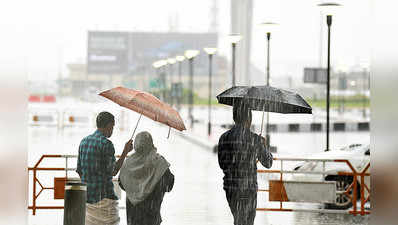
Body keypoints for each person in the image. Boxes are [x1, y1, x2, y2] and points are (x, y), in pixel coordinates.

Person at [218, 102, 273, 225]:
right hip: (248, 189)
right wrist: (263, 145)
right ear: (249, 119)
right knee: (247, 222)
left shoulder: (224, 138)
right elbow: (268, 162)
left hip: (231, 189)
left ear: (234, 118)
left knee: (238, 220)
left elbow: (222, 164)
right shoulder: (254, 139)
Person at [76, 111, 133, 225]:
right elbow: (114, 171)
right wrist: (125, 152)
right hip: (104, 199)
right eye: (112, 126)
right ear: (108, 125)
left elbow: (80, 170)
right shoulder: (106, 144)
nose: (112, 130)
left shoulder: (84, 141)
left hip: (87, 198)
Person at [119, 131, 174, 225]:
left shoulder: (129, 163)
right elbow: (169, 185)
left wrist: (136, 189)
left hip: (133, 216)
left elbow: (122, 183)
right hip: (152, 215)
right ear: (151, 143)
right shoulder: (159, 162)